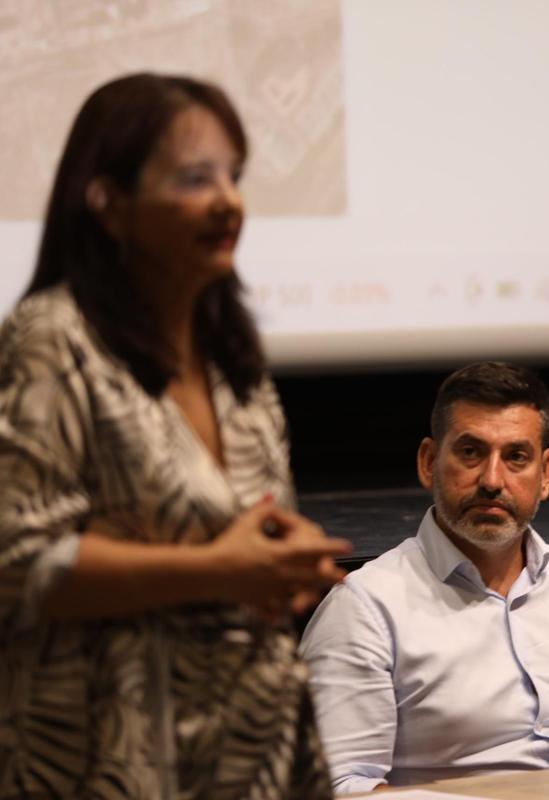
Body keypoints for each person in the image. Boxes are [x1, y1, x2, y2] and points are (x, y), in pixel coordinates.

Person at [0, 73, 352, 798]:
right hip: (110, 759)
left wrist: (283, 560)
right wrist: (222, 570)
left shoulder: (231, 356)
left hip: (247, 750)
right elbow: (18, 562)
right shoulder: (55, 340)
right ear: (108, 203)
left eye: (233, 175)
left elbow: (240, 527)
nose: (228, 199)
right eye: (195, 178)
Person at [299, 361, 549, 793]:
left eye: (516, 457)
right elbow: (340, 785)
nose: (492, 480)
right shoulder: (367, 607)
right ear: (429, 462)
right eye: (471, 453)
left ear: (545, 474)